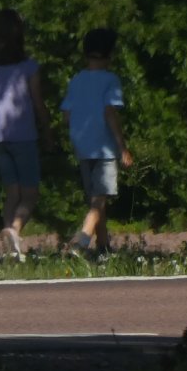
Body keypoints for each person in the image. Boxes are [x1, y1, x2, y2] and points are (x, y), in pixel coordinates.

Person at [0, 9, 54, 259]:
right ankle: (14, 229)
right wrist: (47, 130)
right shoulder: (29, 67)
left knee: (13, 192)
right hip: (23, 135)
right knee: (31, 193)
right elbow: (37, 102)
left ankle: (10, 247)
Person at [60, 27, 133, 254]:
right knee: (99, 200)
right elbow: (110, 111)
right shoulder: (111, 80)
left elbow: (66, 116)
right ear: (110, 54)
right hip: (104, 148)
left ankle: (104, 248)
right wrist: (122, 148)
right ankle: (81, 241)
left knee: (96, 198)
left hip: (82, 145)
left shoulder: (77, 80)